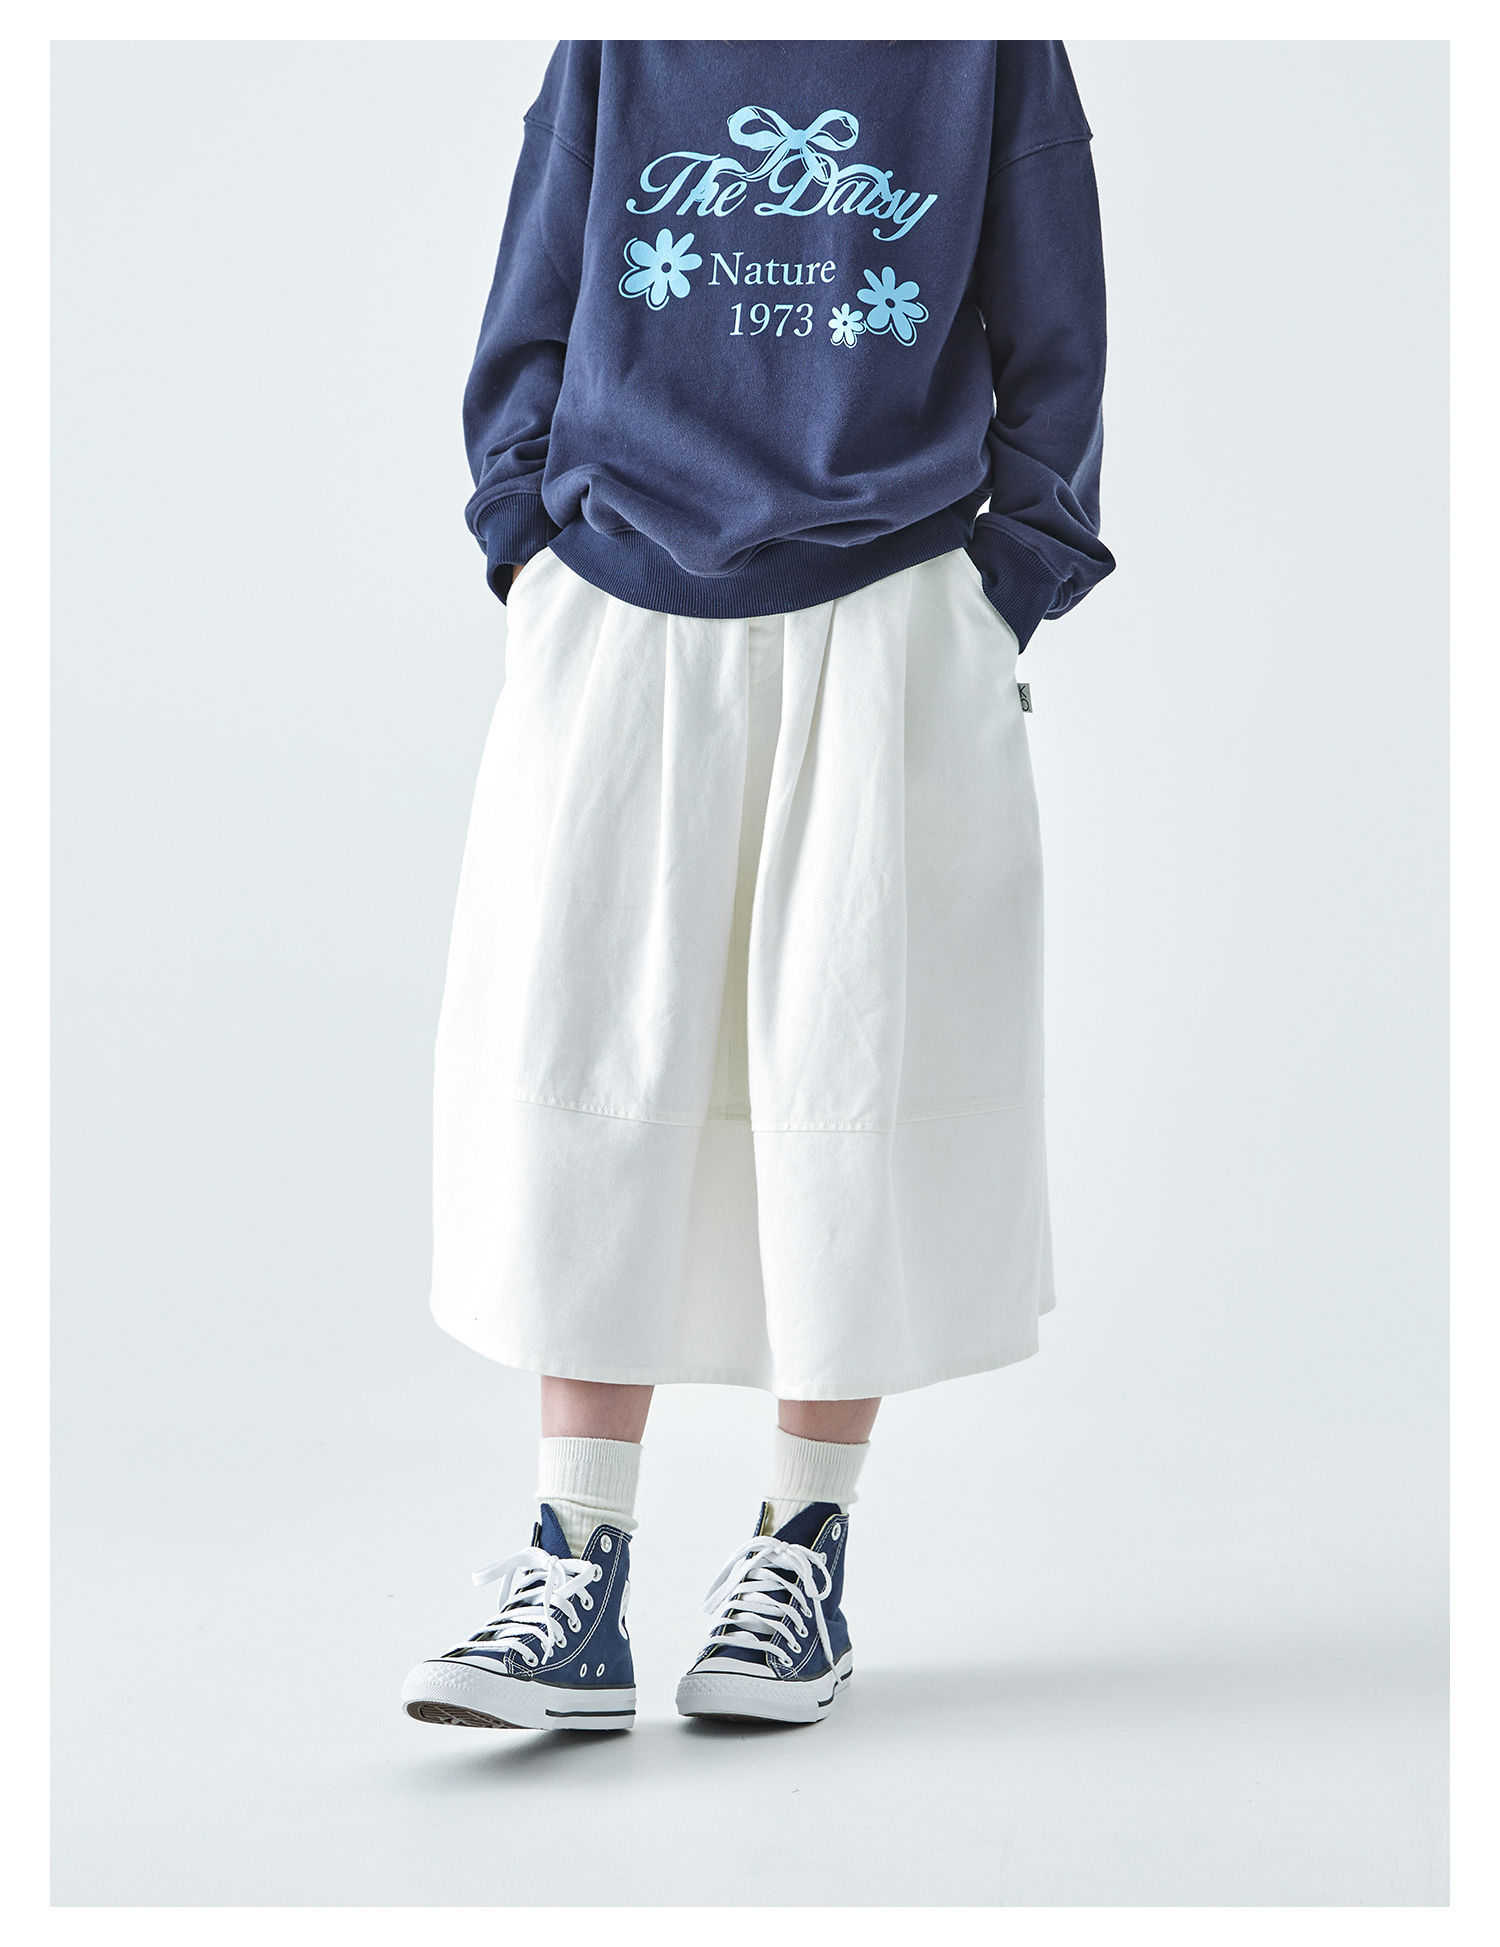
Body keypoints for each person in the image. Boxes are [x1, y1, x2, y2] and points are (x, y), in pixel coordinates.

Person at [401, 37, 1113, 1732]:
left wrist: (999, 590)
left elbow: (1059, 336)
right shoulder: (624, 37)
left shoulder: (985, 47)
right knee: (588, 1057)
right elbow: (536, 293)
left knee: (850, 1071)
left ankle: (801, 1554)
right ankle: (576, 1565)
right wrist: (528, 545)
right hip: (620, 597)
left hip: (889, 605)